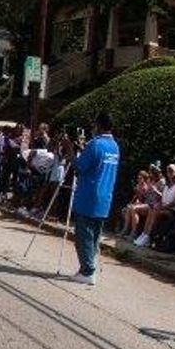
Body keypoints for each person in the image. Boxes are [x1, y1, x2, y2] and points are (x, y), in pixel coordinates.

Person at [69, 112, 120, 286]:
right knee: (95, 236)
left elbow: (80, 167)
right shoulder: (114, 146)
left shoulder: (95, 144)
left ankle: (87, 271)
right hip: (105, 197)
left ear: (98, 125)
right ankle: (90, 267)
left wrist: (70, 152)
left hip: (88, 196)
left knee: (84, 236)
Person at [135, 163, 175, 249]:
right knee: (152, 208)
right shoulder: (167, 184)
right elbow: (163, 198)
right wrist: (158, 205)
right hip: (165, 208)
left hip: (174, 211)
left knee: (155, 211)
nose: (170, 173)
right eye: (168, 171)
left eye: (172, 171)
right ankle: (144, 234)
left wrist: (162, 207)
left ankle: (148, 236)